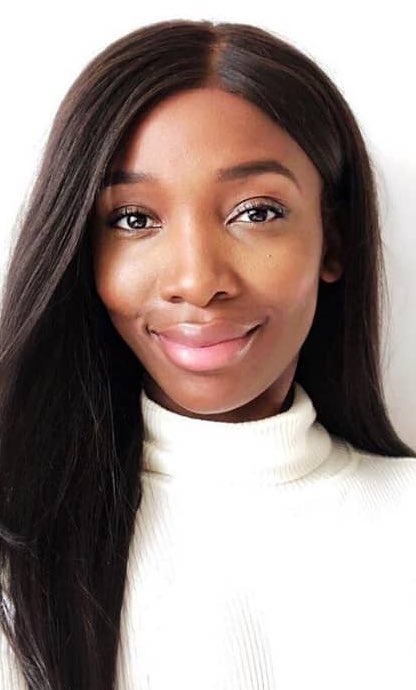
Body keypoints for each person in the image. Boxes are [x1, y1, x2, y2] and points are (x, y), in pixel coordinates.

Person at [0, 17, 415, 690]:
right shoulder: (18, 558)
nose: (196, 281)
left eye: (257, 212)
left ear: (333, 240)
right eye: (134, 220)